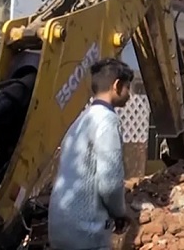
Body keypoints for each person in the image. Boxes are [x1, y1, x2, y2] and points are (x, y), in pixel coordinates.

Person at [48, 58, 135, 250]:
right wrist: (120, 212)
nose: (130, 94)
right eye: (128, 87)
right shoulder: (107, 121)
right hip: (85, 232)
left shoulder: (81, 119)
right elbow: (110, 182)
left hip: (59, 227)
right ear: (117, 85)